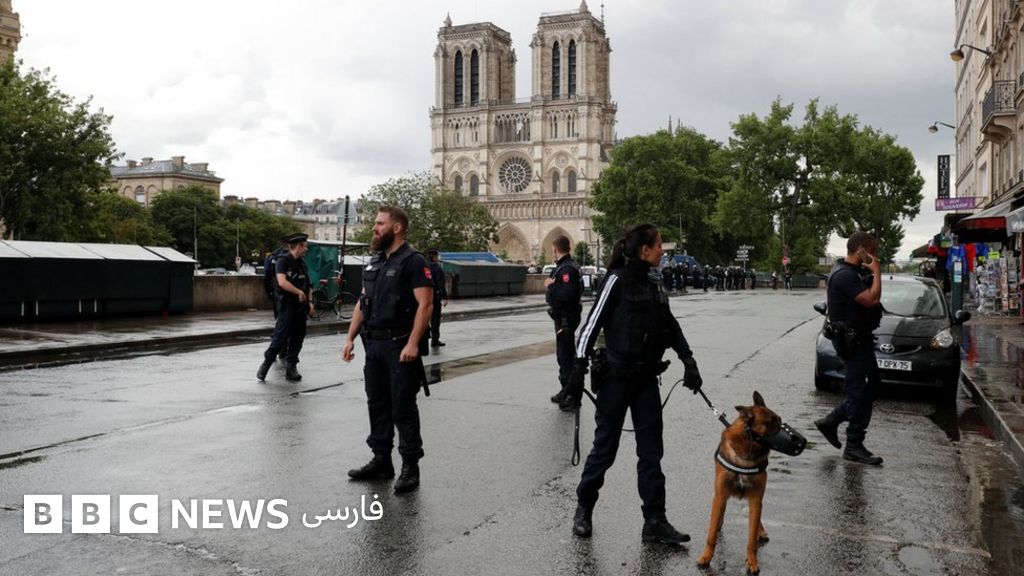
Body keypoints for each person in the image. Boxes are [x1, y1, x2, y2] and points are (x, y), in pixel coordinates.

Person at [565, 223, 704, 544]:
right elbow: (590, 326)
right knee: (605, 450)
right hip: (616, 379)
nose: (662, 251)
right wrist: (577, 369)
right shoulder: (616, 280)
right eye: (659, 245)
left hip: (646, 381)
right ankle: (584, 508)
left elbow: (670, 325)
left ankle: (654, 521)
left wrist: (688, 360)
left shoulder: (655, 282)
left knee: (651, 452)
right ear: (645, 250)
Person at [343, 206, 434, 493]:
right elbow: (362, 301)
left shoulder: (414, 261)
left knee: (402, 405)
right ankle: (381, 460)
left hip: (399, 344)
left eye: (380, 223)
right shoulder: (374, 262)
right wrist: (350, 337)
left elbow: (425, 305)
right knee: (377, 403)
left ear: (397, 228)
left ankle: (410, 466)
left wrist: (413, 343)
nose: (375, 227)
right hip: (374, 345)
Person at [815, 231, 884, 466]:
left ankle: (832, 421)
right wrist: (877, 272)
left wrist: (871, 273)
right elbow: (871, 300)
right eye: (872, 251)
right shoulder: (844, 275)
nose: (874, 256)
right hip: (852, 341)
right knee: (858, 392)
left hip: (861, 339)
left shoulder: (854, 272)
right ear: (861, 250)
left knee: (872, 387)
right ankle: (853, 445)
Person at [257, 233, 313, 382]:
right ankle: (266, 364)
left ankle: (291, 368)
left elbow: (308, 285)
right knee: (280, 337)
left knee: (298, 338)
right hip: (288, 305)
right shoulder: (283, 261)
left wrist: (310, 302)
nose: (306, 249)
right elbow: (282, 282)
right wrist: (298, 292)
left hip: (301, 307)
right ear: (299, 246)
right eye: (305, 246)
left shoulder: (302, 264)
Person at [546, 235, 584, 408]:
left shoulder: (566, 269)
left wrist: (550, 286)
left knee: (566, 356)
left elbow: (566, 295)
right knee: (565, 355)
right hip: (565, 317)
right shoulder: (567, 266)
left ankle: (572, 394)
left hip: (565, 318)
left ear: (555, 249)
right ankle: (566, 390)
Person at [427, 249, 448, 347]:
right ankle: (435, 340)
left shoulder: (422, 266)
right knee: (435, 318)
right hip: (434, 296)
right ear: (434, 256)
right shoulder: (436, 268)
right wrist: (444, 297)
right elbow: (441, 283)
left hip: (422, 295)